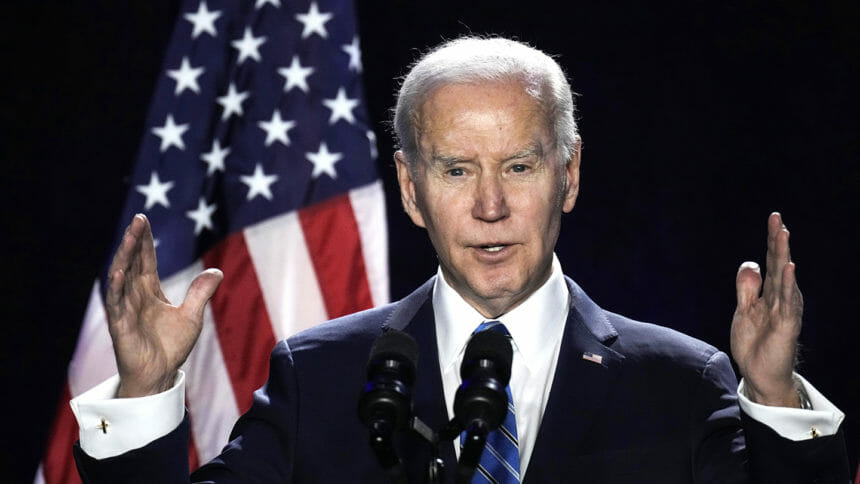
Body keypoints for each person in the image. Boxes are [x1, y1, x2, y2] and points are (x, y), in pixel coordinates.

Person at [72, 36, 848, 483]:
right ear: (410, 189)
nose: (489, 207)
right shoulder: (321, 377)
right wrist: (145, 390)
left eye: (518, 167)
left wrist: (772, 391)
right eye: (454, 170)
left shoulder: (683, 382)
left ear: (568, 175)